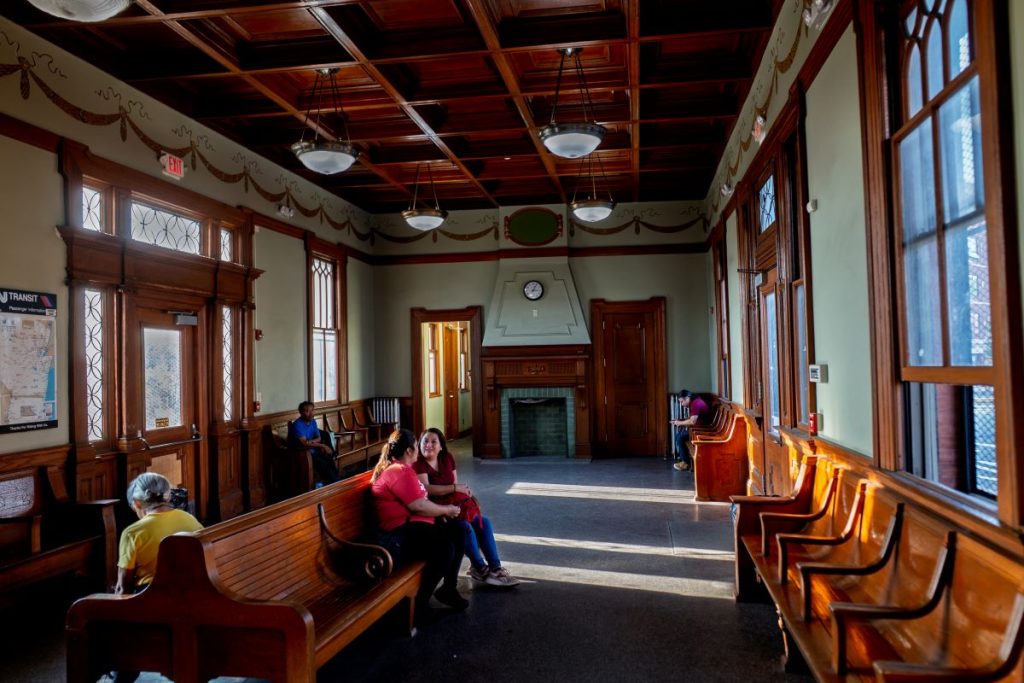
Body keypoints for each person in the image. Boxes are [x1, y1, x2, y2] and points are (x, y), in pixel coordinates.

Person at [370, 428, 468, 621]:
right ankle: (419, 607)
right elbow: (419, 506)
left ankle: (448, 588)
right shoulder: (398, 471)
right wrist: (446, 510)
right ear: (409, 451)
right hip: (397, 535)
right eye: (417, 445)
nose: (419, 449)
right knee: (445, 550)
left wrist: (444, 511)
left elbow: (420, 503)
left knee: (460, 530)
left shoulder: (403, 469)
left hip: (413, 526)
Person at [413, 428, 520, 587]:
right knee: (465, 526)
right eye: (425, 441)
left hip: (452, 504)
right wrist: (455, 488)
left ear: (441, 446)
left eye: (433, 441)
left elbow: (454, 484)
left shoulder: (447, 458)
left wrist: (463, 493)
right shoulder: (419, 463)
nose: (428, 445)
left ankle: (496, 568)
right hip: (435, 509)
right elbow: (427, 489)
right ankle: (480, 569)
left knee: (484, 522)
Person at [115, 472, 204, 596]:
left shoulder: (132, 533)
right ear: (167, 497)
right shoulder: (190, 519)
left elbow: (123, 587)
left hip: (152, 597)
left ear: (137, 503)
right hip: (190, 591)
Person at [288, 400, 340, 486]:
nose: (311, 413)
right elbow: (305, 443)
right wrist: (323, 446)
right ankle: (334, 485)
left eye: (312, 410)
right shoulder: (297, 425)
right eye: (307, 411)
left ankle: (337, 483)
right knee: (324, 464)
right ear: (301, 413)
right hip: (303, 454)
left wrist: (311, 441)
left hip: (313, 450)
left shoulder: (313, 422)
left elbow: (319, 438)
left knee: (329, 460)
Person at [672, 390, 710, 471]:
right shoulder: (695, 401)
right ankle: (684, 458)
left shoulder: (695, 403)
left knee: (680, 437)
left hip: (702, 430)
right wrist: (681, 420)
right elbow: (693, 418)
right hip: (699, 428)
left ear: (687, 398)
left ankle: (685, 463)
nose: (681, 404)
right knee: (679, 435)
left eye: (682, 401)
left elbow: (692, 421)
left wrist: (679, 423)